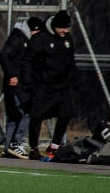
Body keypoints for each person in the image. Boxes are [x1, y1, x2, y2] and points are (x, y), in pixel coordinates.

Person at [23, 11, 79, 161]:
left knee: (67, 113)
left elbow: (71, 59)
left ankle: (54, 145)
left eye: (67, 28)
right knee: (37, 116)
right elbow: (27, 60)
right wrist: (27, 81)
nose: (65, 31)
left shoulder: (67, 38)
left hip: (62, 85)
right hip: (43, 85)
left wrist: (75, 78)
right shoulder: (40, 39)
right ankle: (34, 149)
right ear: (54, 26)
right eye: (62, 28)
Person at [0, 17, 43, 159]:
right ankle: (16, 144)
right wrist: (12, 74)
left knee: (15, 115)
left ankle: (8, 148)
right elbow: (4, 55)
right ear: (33, 30)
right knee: (27, 112)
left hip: (17, 82)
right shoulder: (19, 38)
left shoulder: (25, 39)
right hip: (16, 83)